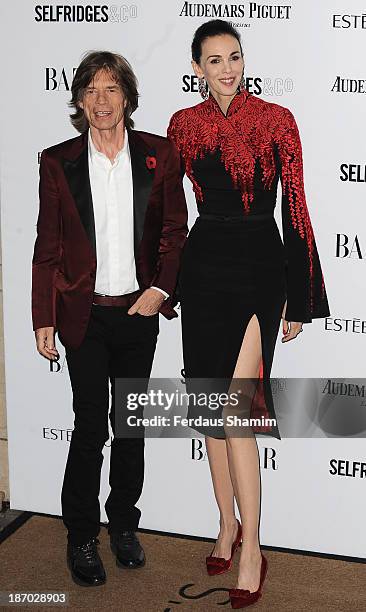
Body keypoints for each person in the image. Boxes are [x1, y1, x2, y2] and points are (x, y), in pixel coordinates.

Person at [167, 20, 329, 609]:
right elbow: (170, 213)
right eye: (214, 61)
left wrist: (301, 291)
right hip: (205, 266)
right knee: (211, 408)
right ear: (197, 68)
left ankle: (255, 545)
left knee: (236, 407)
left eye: (234, 57)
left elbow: (300, 206)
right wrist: (165, 282)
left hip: (260, 266)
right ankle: (226, 524)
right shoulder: (183, 126)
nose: (227, 69)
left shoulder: (277, 119)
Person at [32, 51, 187, 587]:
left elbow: (174, 232)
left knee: (132, 426)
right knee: (90, 425)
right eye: (92, 90)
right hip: (85, 316)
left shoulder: (159, 156)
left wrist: (160, 289)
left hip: (139, 314)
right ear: (79, 100)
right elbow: (46, 247)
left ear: (128, 98)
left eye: (112, 90)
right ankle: (81, 536)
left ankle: (123, 525)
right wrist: (42, 317)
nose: (102, 101)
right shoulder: (58, 162)